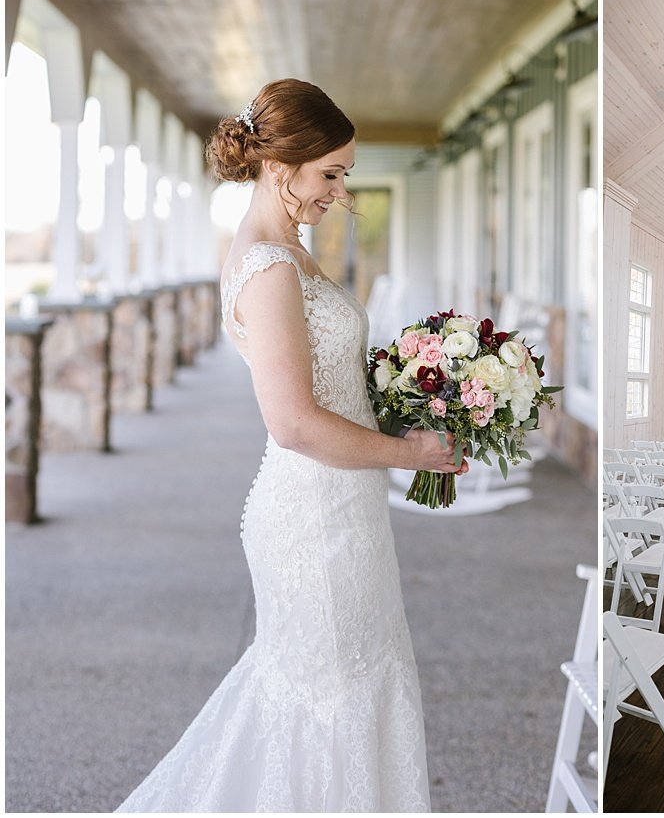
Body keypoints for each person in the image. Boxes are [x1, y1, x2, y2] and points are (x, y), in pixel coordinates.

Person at [117, 79, 465, 812]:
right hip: (314, 521)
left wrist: (409, 400)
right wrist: (415, 455)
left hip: (344, 507)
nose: (339, 191)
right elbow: (294, 422)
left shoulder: (287, 250)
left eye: (344, 175)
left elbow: (330, 380)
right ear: (281, 166)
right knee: (329, 700)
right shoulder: (270, 267)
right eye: (330, 173)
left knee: (345, 688)